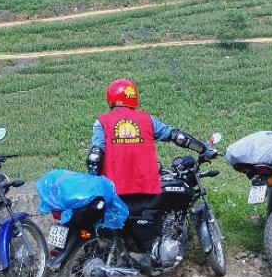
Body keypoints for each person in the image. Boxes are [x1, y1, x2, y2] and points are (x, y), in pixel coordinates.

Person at [87, 78, 214, 264]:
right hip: (145, 186)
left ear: (111, 99)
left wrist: (94, 183)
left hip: (114, 189)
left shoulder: (102, 122)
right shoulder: (147, 120)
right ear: (133, 97)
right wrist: (205, 150)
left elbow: (95, 155)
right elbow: (177, 137)